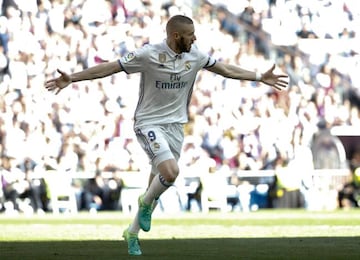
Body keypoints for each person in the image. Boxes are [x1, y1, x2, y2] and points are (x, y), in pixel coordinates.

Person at [45, 15, 288, 256]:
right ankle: (144, 204)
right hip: (148, 123)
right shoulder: (149, 54)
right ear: (175, 36)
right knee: (170, 173)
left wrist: (259, 77)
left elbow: (224, 69)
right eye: (190, 34)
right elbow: (111, 67)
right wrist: (73, 78)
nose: (195, 38)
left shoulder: (197, 55)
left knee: (157, 183)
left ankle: (132, 233)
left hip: (175, 127)